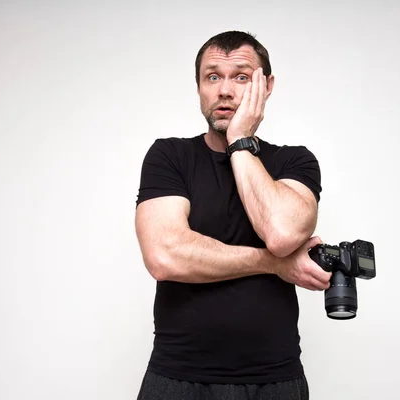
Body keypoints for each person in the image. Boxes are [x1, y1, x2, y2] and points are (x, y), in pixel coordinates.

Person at [134, 30, 332, 400]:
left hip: (274, 381)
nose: (225, 91)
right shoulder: (169, 157)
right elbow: (165, 256)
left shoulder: (294, 161)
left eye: (241, 77)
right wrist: (274, 265)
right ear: (198, 86)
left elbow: (282, 234)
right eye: (213, 76)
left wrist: (239, 140)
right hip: (177, 379)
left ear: (267, 86)